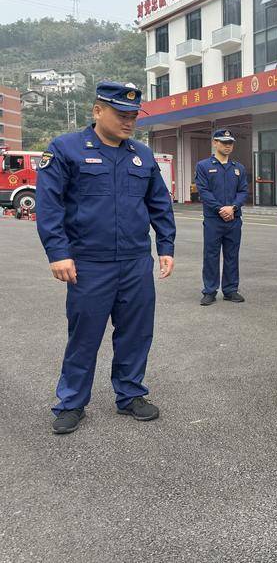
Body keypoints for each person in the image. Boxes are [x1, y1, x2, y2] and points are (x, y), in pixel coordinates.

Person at [35, 81, 176, 435]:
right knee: (84, 335)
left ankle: (130, 394)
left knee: (136, 332)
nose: (129, 121)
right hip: (89, 262)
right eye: (121, 114)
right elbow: (49, 205)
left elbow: (159, 204)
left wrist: (166, 247)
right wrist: (58, 253)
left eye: (133, 116)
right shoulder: (66, 149)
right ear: (98, 111)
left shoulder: (142, 155)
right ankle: (71, 402)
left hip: (135, 261)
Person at [195, 129, 248, 305]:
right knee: (211, 255)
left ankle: (230, 290)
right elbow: (204, 191)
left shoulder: (238, 168)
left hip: (234, 219)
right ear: (215, 143)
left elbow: (243, 191)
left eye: (230, 143)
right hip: (213, 219)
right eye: (224, 142)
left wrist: (233, 207)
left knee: (232, 255)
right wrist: (220, 209)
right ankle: (210, 291)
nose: (227, 146)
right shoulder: (203, 166)